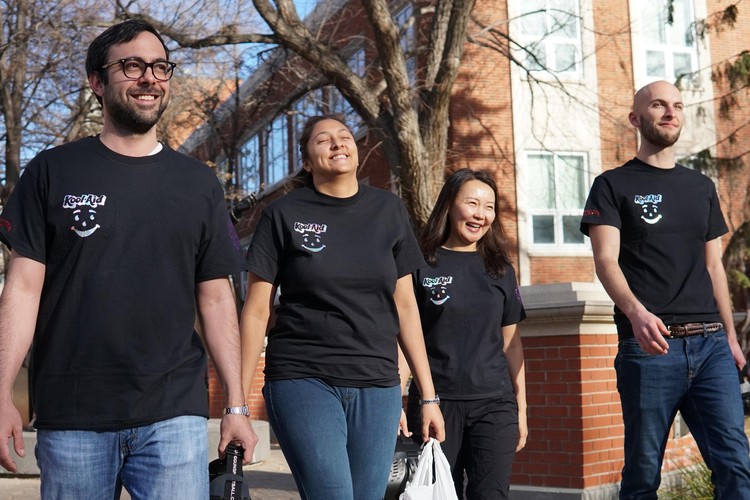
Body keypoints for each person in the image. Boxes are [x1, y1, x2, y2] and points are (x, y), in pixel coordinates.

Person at [0, 19, 257, 499]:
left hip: (174, 414)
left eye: (160, 67)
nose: (150, 78)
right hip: (73, 413)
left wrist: (237, 407)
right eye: (132, 65)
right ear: (97, 81)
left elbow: (217, 299)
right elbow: (22, 288)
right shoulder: (51, 171)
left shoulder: (198, 184)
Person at [240, 114, 445, 500]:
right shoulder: (283, 215)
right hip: (304, 378)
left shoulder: (390, 210)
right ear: (305, 161)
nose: (337, 143)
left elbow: (406, 308)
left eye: (344, 136)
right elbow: (255, 311)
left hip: (378, 385)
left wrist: (427, 398)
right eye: (323, 140)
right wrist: (237, 402)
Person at [580, 80, 750, 499]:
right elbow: (605, 260)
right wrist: (636, 314)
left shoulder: (701, 187)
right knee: (642, 473)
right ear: (637, 118)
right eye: (658, 105)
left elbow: (714, 266)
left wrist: (730, 336)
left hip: (711, 347)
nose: (670, 112)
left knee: (735, 463)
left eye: (676, 105)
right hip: (651, 347)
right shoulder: (612, 185)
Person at [404, 168, 527, 499]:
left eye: (489, 207)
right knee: (442, 494)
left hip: (495, 405)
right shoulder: (419, 265)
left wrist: (521, 409)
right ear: (449, 205)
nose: (481, 214)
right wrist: (397, 404)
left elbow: (511, 345)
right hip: (436, 404)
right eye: (472, 203)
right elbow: (404, 340)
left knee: (492, 494)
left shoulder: (501, 268)